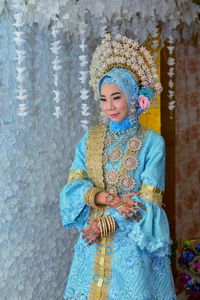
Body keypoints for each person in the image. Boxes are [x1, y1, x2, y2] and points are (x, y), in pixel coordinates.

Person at [60, 34, 176, 300]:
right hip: (91, 241)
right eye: (103, 99)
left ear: (134, 97)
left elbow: (150, 201)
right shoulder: (91, 139)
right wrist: (103, 197)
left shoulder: (152, 143)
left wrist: (108, 224)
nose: (109, 107)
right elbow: (72, 187)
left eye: (116, 97)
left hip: (132, 246)